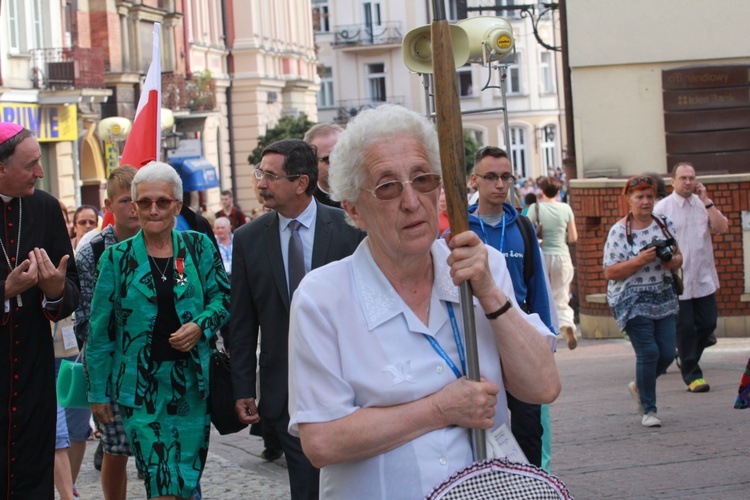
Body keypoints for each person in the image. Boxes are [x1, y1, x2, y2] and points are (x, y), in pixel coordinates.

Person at [287, 105, 559, 498]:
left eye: (423, 179)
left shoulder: (483, 268)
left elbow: (543, 387)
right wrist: (439, 409)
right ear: (353, 209)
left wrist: (490, 295)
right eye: (387, 186)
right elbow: (322, 441)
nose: (412, 201)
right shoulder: (323, 296)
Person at [86, 161, 230, 499]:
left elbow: (222, 298)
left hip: (192, 386)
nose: (154, 210)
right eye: (145, 202)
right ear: (134, 206)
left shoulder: (198, 247)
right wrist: (97, 392)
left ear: (177, 205)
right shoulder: (117, 259)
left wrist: (199, 325)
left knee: (186, 476)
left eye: (163, 202)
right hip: (141, 389)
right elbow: (99, 331)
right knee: (161, 476)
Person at [231, 139, 364, 499]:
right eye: (260, 173)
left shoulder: (349, 229)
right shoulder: (248, 239)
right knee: (304, 488)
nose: (261, 183)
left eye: (271, 176)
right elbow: (242, 321)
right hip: (286, 393)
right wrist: (243, 387)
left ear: (301, 183)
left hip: (351, 383)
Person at [0, 122, 80, 497]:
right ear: (1, 168)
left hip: (32, 369)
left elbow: (72, 290)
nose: (41, 171)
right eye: (31, 163)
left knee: (34, 469)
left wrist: (54, 290)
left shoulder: (45, 208)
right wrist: (5, 290)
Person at [468, 146, 556, 469]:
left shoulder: (521, 226)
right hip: (478, 336)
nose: (499, 184)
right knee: (486, 423)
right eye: (490, 177)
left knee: (529, 425)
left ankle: (532, 485)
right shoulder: (461, 230)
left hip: (518, 333)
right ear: (474, 180)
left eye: (506, 177)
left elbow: (537, 286)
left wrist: (546, 341)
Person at [76, 166, 141, 500]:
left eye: (139, 200)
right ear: (109, 205)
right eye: (126, 200)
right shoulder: (94, 253)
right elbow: (85, 323)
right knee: (116, 448)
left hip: (157, 364)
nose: (135, 208)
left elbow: (184, 292)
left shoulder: (166, 245)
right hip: (113, 367)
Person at [603, 175, 683, 427]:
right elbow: (610, 271)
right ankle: (649, 409)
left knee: (668, 353)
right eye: (640, 197)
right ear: (629, 200)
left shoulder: (665, 224)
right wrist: (640, 260)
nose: (646, 202)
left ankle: (639, 385)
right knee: (648, 352)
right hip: (631, 298)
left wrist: (670, 261)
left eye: (650, 196)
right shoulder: (618, 231)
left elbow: (679, 257)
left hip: (662, 295)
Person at [654, 162, 728, 392]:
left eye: (692, 178)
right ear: (673, 181)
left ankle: (686, 356)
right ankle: (693, 375)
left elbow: (722, 228)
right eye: (683, 178)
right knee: (685, 327)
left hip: (704, 278)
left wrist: (707, 202)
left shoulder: (702, 205)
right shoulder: (663, 208)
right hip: (678, 281)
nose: (688, 182)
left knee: (708, 324)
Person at [527, 176, 579, 350]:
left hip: (542, 255)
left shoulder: (535, 208)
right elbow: (573, 237)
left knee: (544, 295)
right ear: (558, 192)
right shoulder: (566, 208)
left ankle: (548, 331)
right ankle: (567, 325)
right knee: (562, 295)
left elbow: (527, 231)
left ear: (541, 190)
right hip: (562, 256)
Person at [304, 123, 343, 209]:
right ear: (311, 164)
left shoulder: (371, 194)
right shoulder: (304, 206)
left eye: (342, 155)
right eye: (328, 159)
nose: (338, 162)